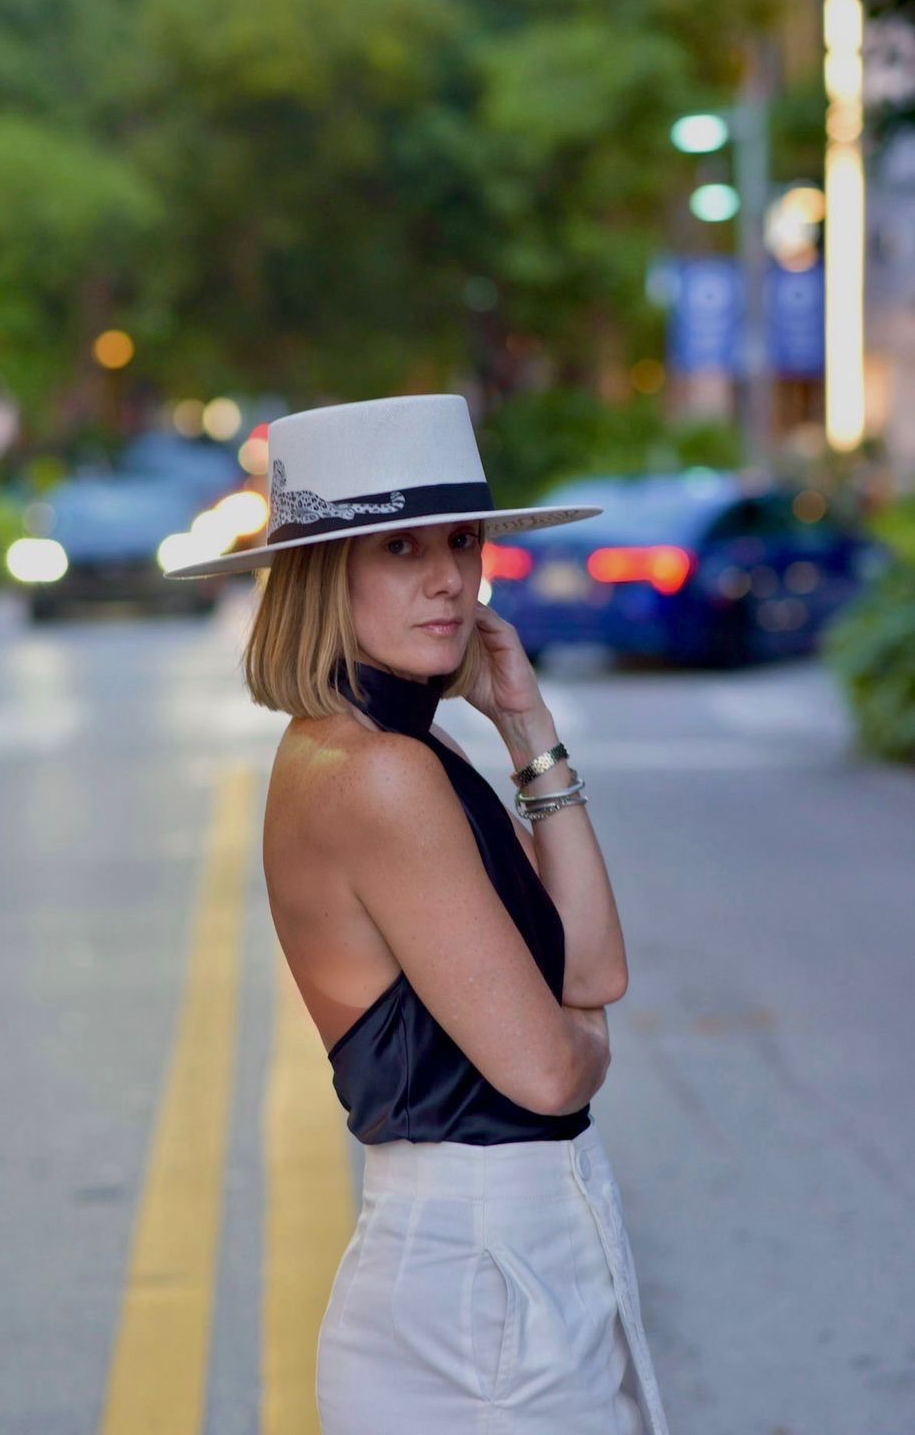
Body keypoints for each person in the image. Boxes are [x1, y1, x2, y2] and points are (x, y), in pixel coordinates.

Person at [163, 393, 671, 1435]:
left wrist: (527, 727)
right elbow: (548, 1071)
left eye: (461, 539)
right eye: (400, 547)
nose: (449, 577)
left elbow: (595, 970)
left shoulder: (406, 749)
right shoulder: (375, 774)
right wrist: (581, 1037)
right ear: (323, 571)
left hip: (496, 1270)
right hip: (481, 1290)